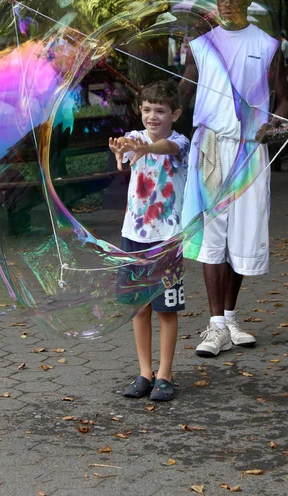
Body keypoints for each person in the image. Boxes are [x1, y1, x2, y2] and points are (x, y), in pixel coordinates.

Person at [179, 0, 288, 357]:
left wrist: (274, 125)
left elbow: (284, 98)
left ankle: (229, 319)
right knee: (212, 236)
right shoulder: (201, 43)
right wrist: (157, 105)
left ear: (247, 2)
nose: (227, 4)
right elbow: (184, 89)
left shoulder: (267, 45)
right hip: (210, 146)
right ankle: (214, 326)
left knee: (242, 236)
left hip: (249, 150)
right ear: (216, 3)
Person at [109, 80, 189, 401]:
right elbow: (129, 143)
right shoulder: (137, 137)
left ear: (175, 114)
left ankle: (165, 375)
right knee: (139, 308)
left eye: (160, 110)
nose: (152, 116)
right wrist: (122, 149)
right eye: (146, 110)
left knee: (166, 310)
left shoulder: (180, 142)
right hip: (134, 237)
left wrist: (143, 149)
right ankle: (145, 373)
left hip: (167, 240)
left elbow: (166, 148)